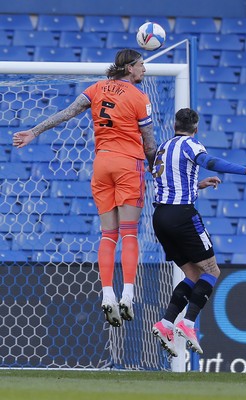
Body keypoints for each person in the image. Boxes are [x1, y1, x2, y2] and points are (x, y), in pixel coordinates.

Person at [13, 49, 157, 328]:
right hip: (129, 165)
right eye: (141, 65)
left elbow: (67, 113)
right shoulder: (140, 98)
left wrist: (34, 131)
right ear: (129, 68)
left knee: (107, 234)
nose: (144, 70)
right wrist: (155, 167)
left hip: (101, 165)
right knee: (129, 233)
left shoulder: (96, 88)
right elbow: (149, 143)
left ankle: (106, 295)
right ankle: (127, 294)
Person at [151, 108, 246, 357]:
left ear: (175, 126)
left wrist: (198, 185)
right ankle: (188, 323)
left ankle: (166, 323)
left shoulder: (163, 148)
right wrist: (245, 169)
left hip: (160, 217)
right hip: (183, 215)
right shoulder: (191, 145)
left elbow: (170, 183)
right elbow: (210, 162)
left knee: (193, 274)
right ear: (196, 129)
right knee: (212, 271)